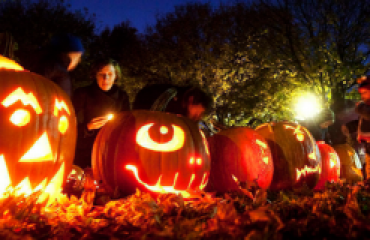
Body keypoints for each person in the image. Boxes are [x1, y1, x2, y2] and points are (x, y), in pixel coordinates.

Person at [72, 58, 130, 169]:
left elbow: (126, 125)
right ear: (95, 75)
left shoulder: (122, 97)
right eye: (101, 74)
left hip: (111, 150)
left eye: (110, 74)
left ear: (116, 76)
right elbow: (70, 124)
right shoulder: (82, 94)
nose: (106, 78)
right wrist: (88, 127)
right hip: (85, 150)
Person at [133, 83, 213, 123]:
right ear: (191, 100)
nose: (197, 118)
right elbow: (152, 117)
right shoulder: (169, 95)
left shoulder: (183, 112)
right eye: (196, 114)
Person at [355, 76, 370, 179]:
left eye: (365, 92)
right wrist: (349, 126)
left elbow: (368, 115)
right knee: (368, 162)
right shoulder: (366, 106)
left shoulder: (365, 107)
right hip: (367, 142)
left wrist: (360, 107)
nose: (362, 96)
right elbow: (362, 121)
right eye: (361, 93)